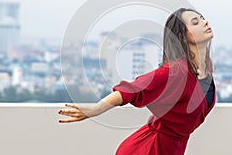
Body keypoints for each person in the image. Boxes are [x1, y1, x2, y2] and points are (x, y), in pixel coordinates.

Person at [58, 8, 216, 155]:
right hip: (148, 149)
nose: (205, 22)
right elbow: (133, 89)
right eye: (196, 22)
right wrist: (95, 110)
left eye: (202, 19)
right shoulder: (176, 73)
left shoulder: (206, 69)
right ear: (182, 36)